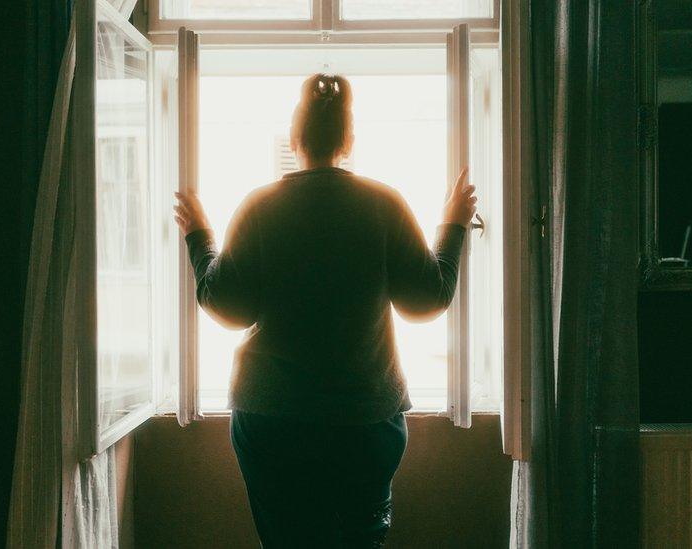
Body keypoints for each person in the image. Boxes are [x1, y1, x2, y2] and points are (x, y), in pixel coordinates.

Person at [173, 73, 476, 548]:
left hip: (275, 419)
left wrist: (199, 237)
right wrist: (453, 225)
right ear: (349, 140)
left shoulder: (260, 205)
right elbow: (427, 299)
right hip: (364, 421)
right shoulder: (384, 204)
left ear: (294, 139)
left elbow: (226, 305)